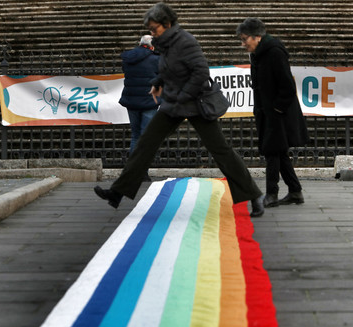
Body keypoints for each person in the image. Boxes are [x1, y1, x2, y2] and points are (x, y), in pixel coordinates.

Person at [95, 3, 264, 217]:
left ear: (167, 24)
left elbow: (201, 72)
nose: (151, 32)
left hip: (195, 104)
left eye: (154, 28)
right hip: (174, 104)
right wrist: (158, 81)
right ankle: (117, 193)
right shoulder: (165, 43)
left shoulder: (185, 41)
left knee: (221, 151)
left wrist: (183, 95)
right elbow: (169, 70)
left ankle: (253, 194)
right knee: (146, 143)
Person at [236, 18, 309, 208]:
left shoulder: (274, 52)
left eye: (245, 39)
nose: (243, 44)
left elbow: (287, 85)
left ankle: (271, 194)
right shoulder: (258, 54)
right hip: (267, 111)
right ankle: (295, 191)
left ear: (257, 37)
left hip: (278, 113)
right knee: (279, 152)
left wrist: (276, 109)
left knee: (272, 152)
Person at [119, 35, 160, 157]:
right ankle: (142, 171)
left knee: (135, 136)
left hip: (131, 100)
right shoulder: (155, 59)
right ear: (152, 46)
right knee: (145, 136)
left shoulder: (128, 58)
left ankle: (133, 170)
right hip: (149, 101)